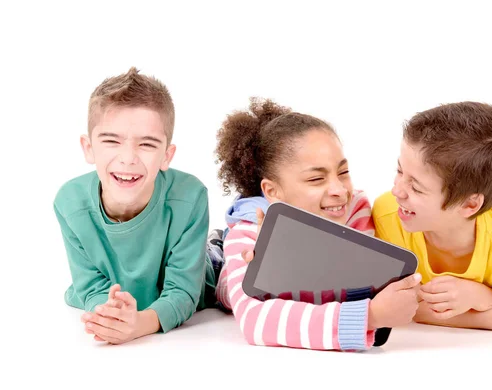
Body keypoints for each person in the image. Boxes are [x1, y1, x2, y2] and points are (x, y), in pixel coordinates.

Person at [214, 97, 421, 351]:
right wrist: (370, 315)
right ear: (273, 191)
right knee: (222, 288)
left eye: (343, 173)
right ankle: (216, 252)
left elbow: (358, 285)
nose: (339, 190)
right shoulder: (247, 235)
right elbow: (255, 320)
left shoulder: (355, 209)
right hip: (221, 271)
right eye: (316, 179)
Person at [53, 67, 218, 344]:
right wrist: (107, 315)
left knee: (223, 263)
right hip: (119, 293)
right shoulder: (70, 203)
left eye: (147, 144)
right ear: (89, 148)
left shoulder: (189, 197)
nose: (128, 158)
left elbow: (183, 292)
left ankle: (221, 243)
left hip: (200, 277)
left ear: (167, 156)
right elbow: (90, 286)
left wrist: (141, 324)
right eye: (111, 141)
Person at [372, 101, 492, 330]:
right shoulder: (388, 215)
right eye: (400, 171)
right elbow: (400, 307)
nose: (397, 191)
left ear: (470, 204)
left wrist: (478, 296)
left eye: (417, 188)